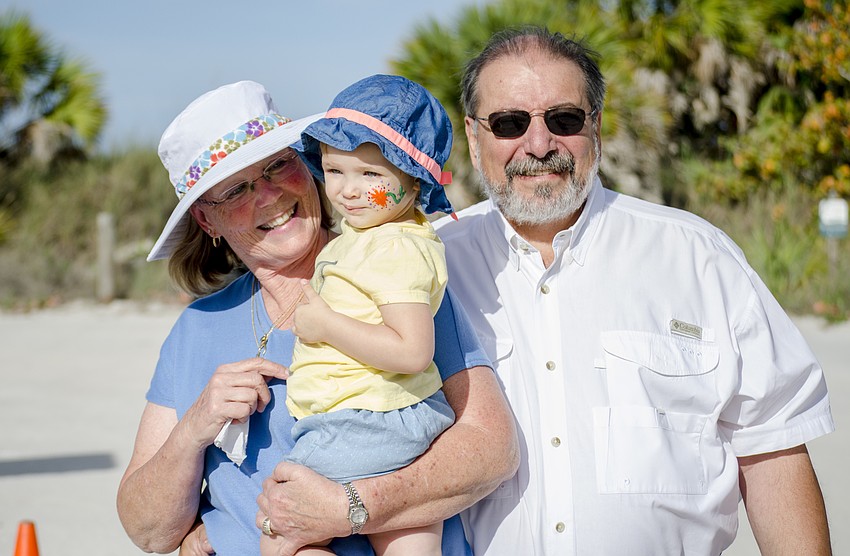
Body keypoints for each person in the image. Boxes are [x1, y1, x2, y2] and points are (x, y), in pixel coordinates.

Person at [433, 26, 835, 555]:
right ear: (473, 133)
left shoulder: (698, 257)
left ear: (595, 126)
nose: (539, 144)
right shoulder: (427, 266)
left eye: (564, 119)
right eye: (509, 123)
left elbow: (773, 450)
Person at [116, 80, 519, 556]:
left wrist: (351, 506)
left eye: (277, 166)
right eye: (235, 190)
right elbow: (148, 531)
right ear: (207, 222)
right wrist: (195, 427)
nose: (268, 194)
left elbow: (492, 450)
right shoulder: (197, 327)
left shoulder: (391, 275)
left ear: (306, 166)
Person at [281, 74, 457, 555]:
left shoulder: (395, 245)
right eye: (335, 171)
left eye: (371, 175)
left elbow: (412, 349)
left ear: (413, 178)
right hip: (392, 415)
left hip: (362, 423)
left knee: (280, 528)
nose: (349, 191)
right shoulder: (369, 239)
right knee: (409, 538)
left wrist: (324, 326)